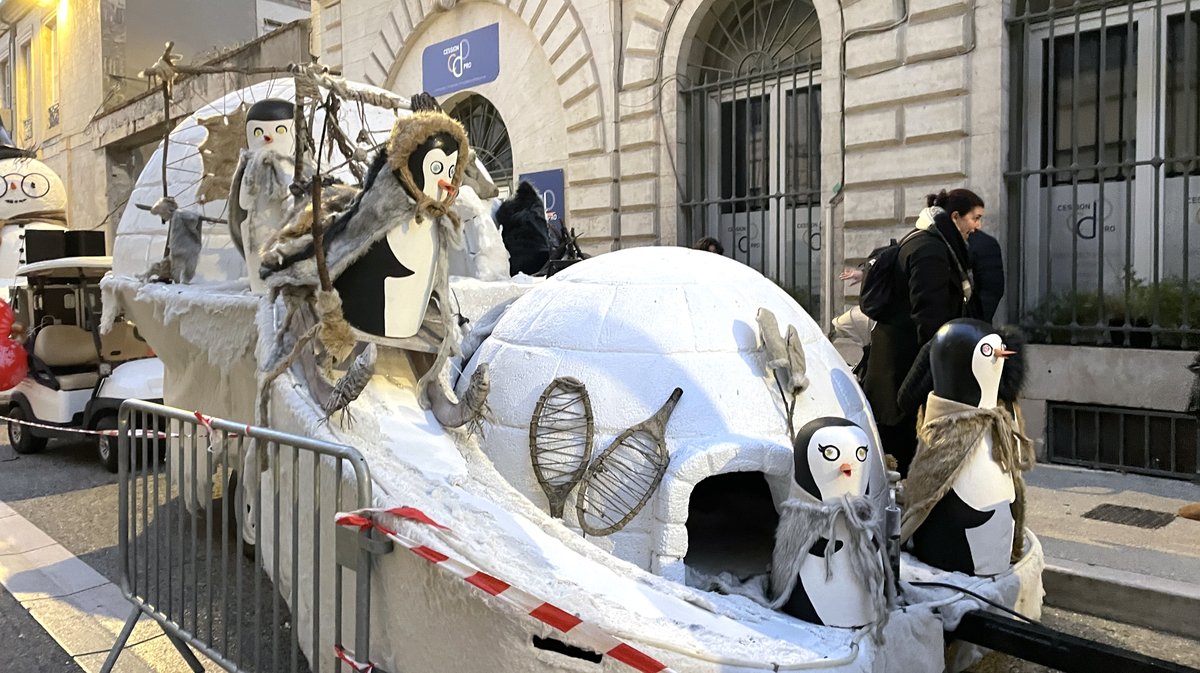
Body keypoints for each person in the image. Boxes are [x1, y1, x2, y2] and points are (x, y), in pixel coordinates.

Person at [860, 188, 984, 475]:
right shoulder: (930, 250)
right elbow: (930, 320)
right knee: (905, 458)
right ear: (955, 217)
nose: (977, 226)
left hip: (901, 367)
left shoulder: (934, 244)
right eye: (975, 218)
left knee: (903, 454)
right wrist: (944, 370)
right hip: (905, 372)